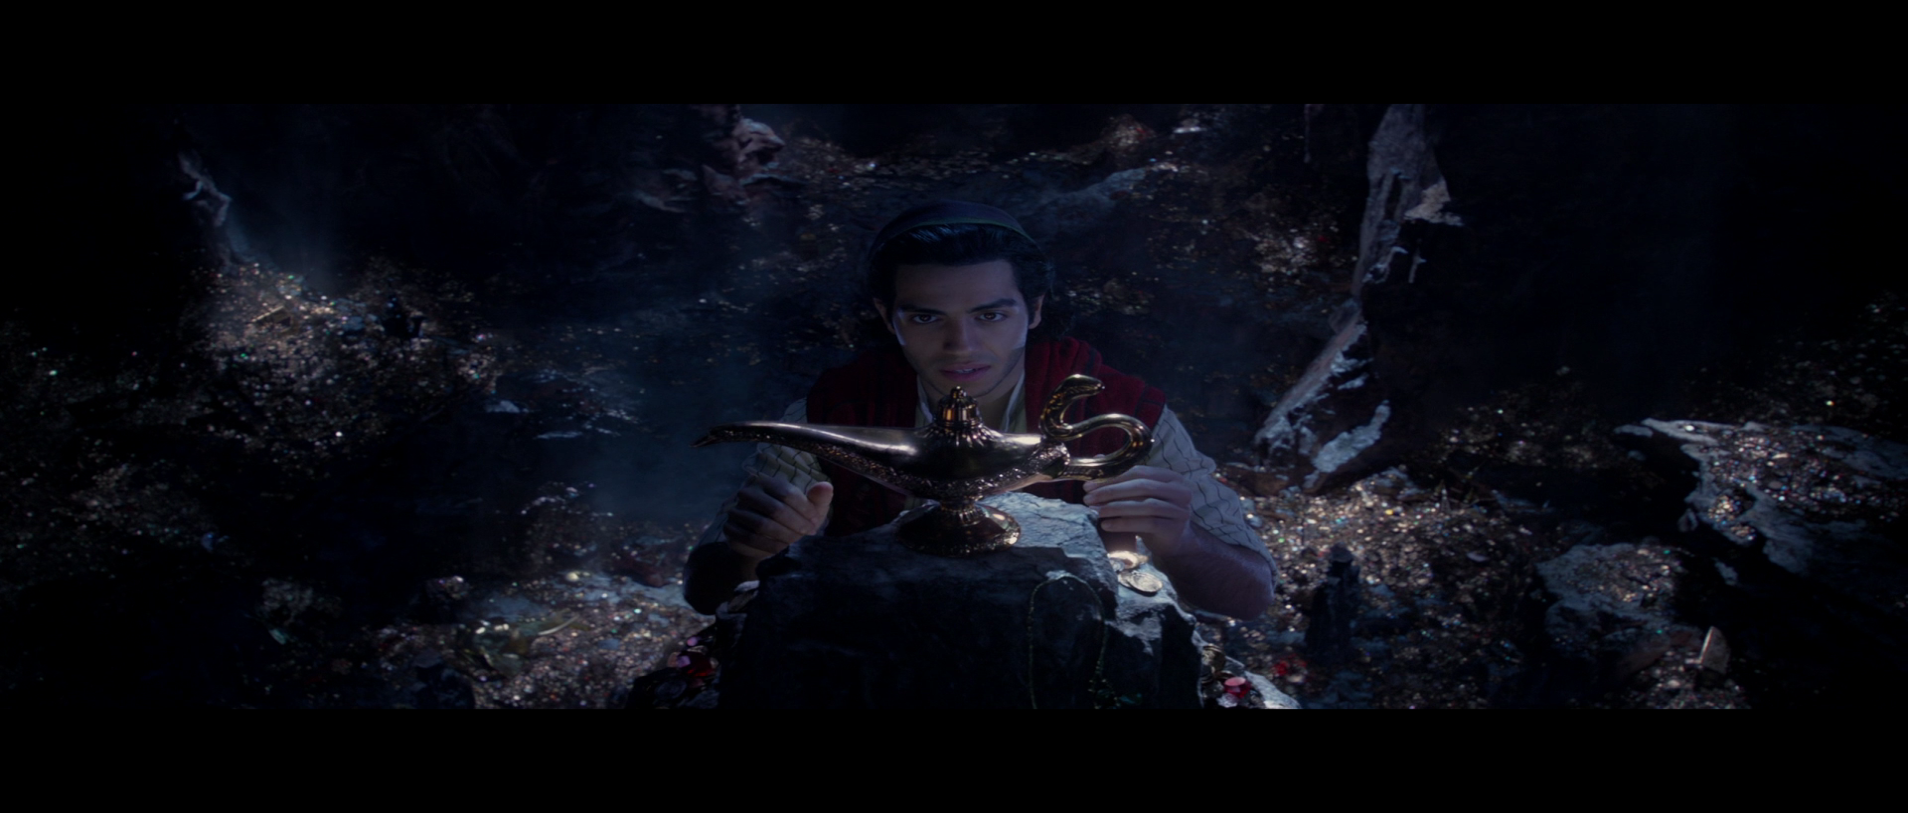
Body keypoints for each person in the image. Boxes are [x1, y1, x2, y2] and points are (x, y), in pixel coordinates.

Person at [683, 201, 1276, 618]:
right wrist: (748, 554)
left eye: (990, 315)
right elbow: (704, 592)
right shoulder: (829, 412)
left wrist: (1183, 542)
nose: (960, 346)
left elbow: (1250, 597)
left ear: (1034, 311)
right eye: (926, 317)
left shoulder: (1119, 408)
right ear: (888, 317)